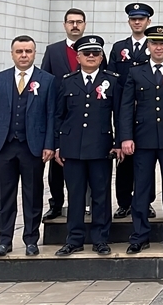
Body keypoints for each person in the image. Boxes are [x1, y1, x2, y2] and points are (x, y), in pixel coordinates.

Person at [119, 25, 163, 254]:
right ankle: (140, 235)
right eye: (154, 43)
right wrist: (126, 137)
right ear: (148, 45)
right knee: (141, 189)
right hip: (143, 140)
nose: (158, 47)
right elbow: (126, 107)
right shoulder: (135, 72)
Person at [0, 35, 56, 257]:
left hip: (32, 147)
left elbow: (51, 115)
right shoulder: (1, 78)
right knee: (5, 195)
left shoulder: (47, 80)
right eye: (19, 51)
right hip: (5, 146)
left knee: (32, 195)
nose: (24, 55)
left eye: (28, 51)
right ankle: (4, 240)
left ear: (35, 53)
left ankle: (31, 239)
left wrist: (49, 145)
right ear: (12, 53)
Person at [53, 35, 122, 257]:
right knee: (75, 195)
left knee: (101, 194)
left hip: (101, 147)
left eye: (96, 53)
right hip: (72, 147)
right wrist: (56, 146)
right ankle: (74, 239)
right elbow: (58, 116)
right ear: (78, 56)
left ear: (102, 57)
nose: (91, 57)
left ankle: (101, 239)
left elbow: (120, 115)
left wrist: (119, 142)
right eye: (87, 53)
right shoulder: (67, 81)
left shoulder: (112, 80)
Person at [40, 8, 92, 221]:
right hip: (61, 114)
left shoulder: (93, 49)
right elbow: (45, 80)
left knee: (87, 164)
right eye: (71, 22)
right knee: (57, 163)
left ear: (85, 25)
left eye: (79, 22)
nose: (75, 26)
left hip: (86, 113)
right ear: (64, 25)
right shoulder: (53, 51)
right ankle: (56, 203)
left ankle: (86, 205)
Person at [108, 3, 156, 220]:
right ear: (129, 21)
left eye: (142, 19)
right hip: (124, 109)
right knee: (124, 157)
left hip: (148, 111)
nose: (138, 22)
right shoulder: (119, 48)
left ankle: (147, 202)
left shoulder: (155, 45)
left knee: (147, 158)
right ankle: (124, 201)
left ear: (148, 21)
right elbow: (111, 79)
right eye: (134, 19)